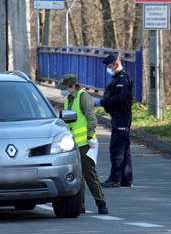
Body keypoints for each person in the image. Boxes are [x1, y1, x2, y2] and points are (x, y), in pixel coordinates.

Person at [56, 74, 108, 214]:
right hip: (72, 145)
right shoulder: (68, 100)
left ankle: (101, 203)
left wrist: (91, 134)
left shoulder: (82, 96)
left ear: (72, 86)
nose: (63, 90)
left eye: (65, 87)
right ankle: (80, 205)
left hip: (85, 142)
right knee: (78, 177)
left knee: (89, 174)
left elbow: (91, 117)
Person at [93, 54, 134, 188]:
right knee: (124, 147)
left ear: (116, 63)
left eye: (110, 66)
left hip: (122, 115)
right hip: (119, 115)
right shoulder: (118, 78)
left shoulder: (123, 79)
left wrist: (102, 102)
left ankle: (115, 179)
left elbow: (121, 98)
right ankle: (126, 179)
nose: (108, 69)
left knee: (117, 147)